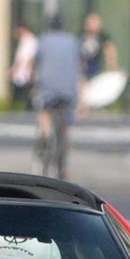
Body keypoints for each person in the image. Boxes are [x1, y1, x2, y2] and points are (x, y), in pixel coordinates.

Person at [30, 14, 82, 170]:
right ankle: (63, 164)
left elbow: (35, 63)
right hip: (68, 89)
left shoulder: (44, 40)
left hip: (47, 87)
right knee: (65, 124)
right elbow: (79, 65)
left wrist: (32, 80)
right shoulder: (73, 41)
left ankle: (44, 137)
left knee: (43, 113)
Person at [7, 23, 37, 109]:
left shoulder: (30, 41)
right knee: (21, 92)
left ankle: (18, 108)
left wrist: (30, 71)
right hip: (22, 72)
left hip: (25, 72)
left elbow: (29, 58)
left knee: (23, 92)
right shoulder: (24, 40)